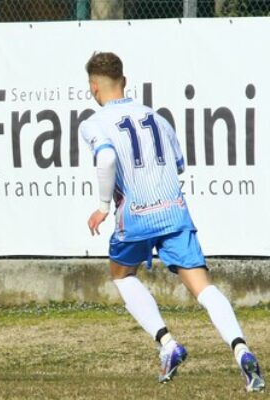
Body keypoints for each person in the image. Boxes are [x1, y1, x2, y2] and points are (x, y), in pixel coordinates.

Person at [79, 52, 264, 392]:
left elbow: (105, 158)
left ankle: (167, 344)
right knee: (202, 287)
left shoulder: (94, 123)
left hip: (135, 215)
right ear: (126, 81)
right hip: (174, 211)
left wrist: (103, 206)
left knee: (121, 275)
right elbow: (177, 165)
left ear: (93, 88)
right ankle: (242, 351)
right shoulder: (158, 119)